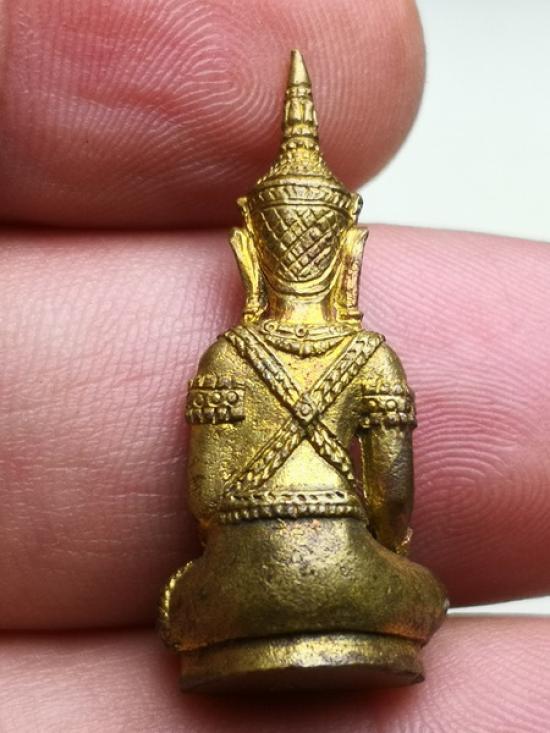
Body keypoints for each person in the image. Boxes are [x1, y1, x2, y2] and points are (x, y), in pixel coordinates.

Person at [0, 0, 549, 729]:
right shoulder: (372, 356)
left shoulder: (227, 355)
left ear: (251, 252)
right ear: (348, 252)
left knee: (181, 601)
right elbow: (393, 498)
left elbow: (204, 498)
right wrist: (377, 548)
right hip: (358, 582)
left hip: (237, 592)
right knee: (424, 594)